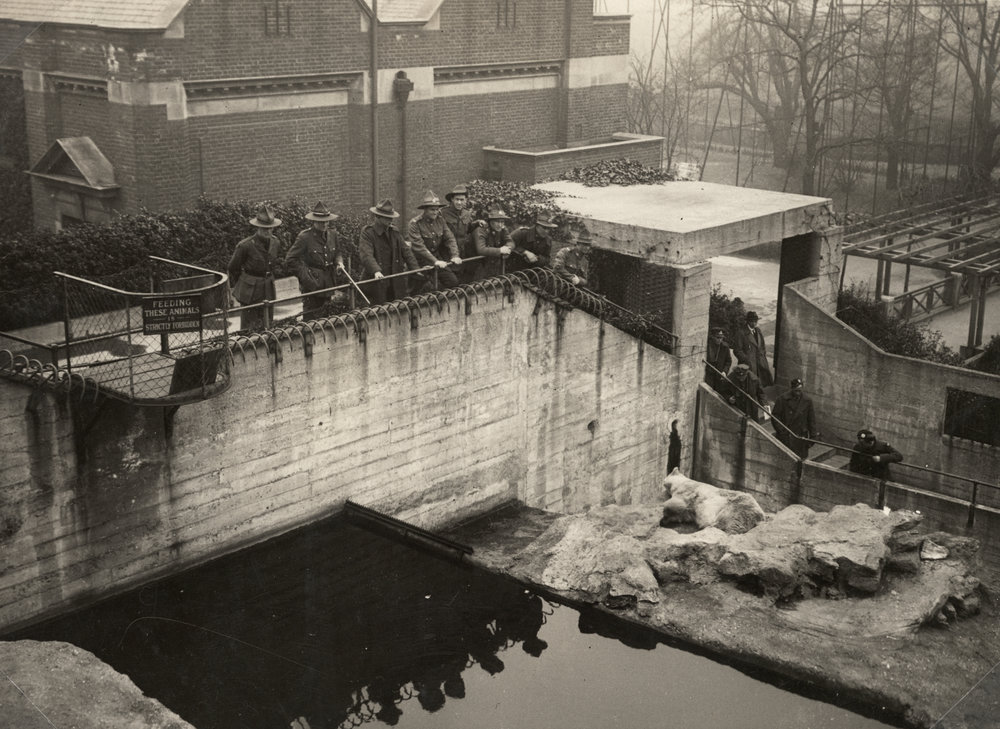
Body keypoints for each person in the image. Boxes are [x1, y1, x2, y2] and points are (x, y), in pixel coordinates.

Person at [285, 200, 345, 319]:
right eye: (321, 222)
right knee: (311, 319)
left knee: (326, 318)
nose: (324, 224)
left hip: (328, 283)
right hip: (311, 285)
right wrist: (306, 276)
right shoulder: (305, 237)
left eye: (327, 221)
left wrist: (339, 262)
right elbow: (290, 259)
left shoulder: (333, 234)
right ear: (314, 221)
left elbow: (338, 252)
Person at [228, 204, 283, 330]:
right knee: (249, 329)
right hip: (250, 293)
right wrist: (245, 283)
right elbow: (233, 268)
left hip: (268, 289)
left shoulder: (275, 242)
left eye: (270, 228)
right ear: (257, 227)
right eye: (264, 229)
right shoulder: (245, 246)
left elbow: (271, 265)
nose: (268, 231)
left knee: (268, 325)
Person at [359, 199, 420, 304]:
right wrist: (376, 271)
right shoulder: (368, 233)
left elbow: (406, 251)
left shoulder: (394, 232)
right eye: (387, 217)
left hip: (394, 279)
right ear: (378, 217)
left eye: (391, 217)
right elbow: (366, 255)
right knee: (377, 311)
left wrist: (415, 269)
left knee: (398, 307)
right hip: (377, 280)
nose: (391, 220)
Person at [407, 190, 461, 291]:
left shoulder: (440, 220)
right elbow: (419, 247)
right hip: (420, 262)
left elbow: (450, 238)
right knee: (419, 291)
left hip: (437, 259)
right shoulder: (415, 224)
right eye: (432, 209)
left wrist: (455, 255)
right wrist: (435, 261)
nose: (435, 212)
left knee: (452, 282)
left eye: (437, 209)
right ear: (425, 210)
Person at [440, 183, 483, 284]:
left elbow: (467, 229)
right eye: (457, 199)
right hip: (447, 253)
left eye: (462, 200)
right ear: (452, 200)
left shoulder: (466, 214)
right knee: (449, 281)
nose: (459, 202)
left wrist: (476, 223)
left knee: (463, 279)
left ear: (466, 200)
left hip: (462, 253)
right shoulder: (443, 213)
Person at [771, 377, 817, 459]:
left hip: (800, 436)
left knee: (799, 459)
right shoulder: (782, 399)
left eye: (800, 390)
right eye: (796, 390)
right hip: (786, 435)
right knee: (785, 459)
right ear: (792, 389)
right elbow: (775, 417)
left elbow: (811, 420)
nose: (798, 392)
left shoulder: (807, 401)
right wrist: (782, 431)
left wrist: (813, 436)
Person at [472, 204, 515, 278]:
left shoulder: (503, 229)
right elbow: (481, 249)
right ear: (491, 221)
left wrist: (508, 248)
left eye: (502, 222)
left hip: (491, 262)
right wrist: (500, 250)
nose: (501, 225)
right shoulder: (481, 230)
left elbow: (510, 242)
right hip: (476, 263)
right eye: (498, 222)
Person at [733, 311, 773, 387]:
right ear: (748, 321)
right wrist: (747, 359)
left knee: (760, 383)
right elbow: (737, 350)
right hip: (748, 364)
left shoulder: (758, 331)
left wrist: (763, 356)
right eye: (752, 321)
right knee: (749, 383)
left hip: (760, 362)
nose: (754, 323)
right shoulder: (741, 333)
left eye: (755, 321)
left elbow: (762, 346)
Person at [705, 327, 732, 392]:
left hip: (719, 375)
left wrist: (724, 372)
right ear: (713, 337)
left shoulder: (725, 347)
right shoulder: (707, 346)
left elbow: (728, 361)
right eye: (718, 338)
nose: (720, 340)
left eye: (721, 338)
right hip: (709, 375)